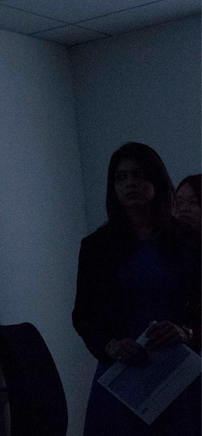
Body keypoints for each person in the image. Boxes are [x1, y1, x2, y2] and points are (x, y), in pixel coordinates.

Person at [73, 143, 200, 436]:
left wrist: (187, 332)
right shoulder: (96, 247)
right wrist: (109, 345)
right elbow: (84, 314)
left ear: (157, 180)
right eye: (121, 177)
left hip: (177, 369)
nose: (130, 183)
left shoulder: (188, 241)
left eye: (139, 174)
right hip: (122, 370)